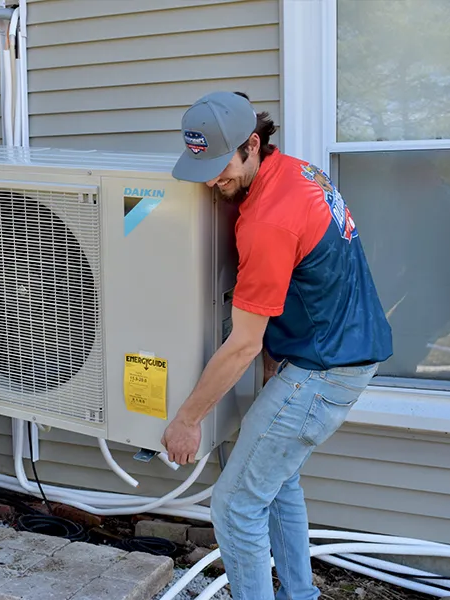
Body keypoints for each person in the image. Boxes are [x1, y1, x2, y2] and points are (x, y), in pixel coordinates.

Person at [161, 91, 393, 600]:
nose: (212, 181)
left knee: (234, 505)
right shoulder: (298, 172)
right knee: (276, 481)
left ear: (252, 144)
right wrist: (274, 361)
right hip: (337, 353)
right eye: (203, 169)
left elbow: (242, 343)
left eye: (221, 168)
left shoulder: (266, 220)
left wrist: (187, 420)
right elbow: (297, 285)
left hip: (323, 369)